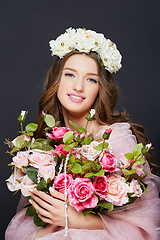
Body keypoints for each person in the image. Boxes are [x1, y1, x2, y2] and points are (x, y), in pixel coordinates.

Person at [5, 28, 160, 240]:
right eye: (69, 74)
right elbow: (34, 218)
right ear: (56, 80)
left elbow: (142, 229)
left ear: (101, 88)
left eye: (91, 79)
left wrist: (75, 219)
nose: (78, 87)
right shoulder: (45, 143)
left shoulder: (115, 139)